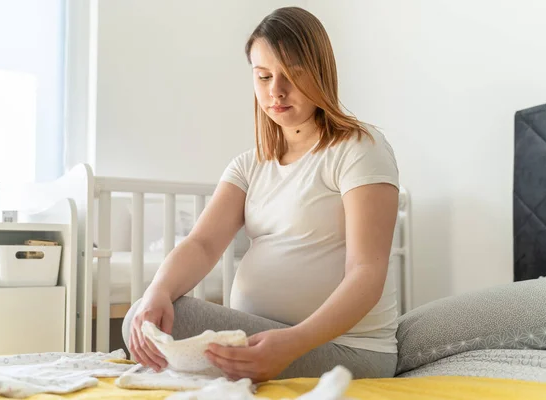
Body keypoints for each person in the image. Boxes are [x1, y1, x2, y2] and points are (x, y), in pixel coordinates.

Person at [122, 6, 400, 383]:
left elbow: (367, 271)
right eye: (264, 76)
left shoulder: (359, 148)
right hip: (264, 333)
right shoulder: (248, 165)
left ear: (320, 71)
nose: (276, 91)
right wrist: (158, 289)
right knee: (143, 316)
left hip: (349, 347)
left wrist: (293, 342)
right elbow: (202, 244)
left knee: (171, 321)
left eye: (292, 74)